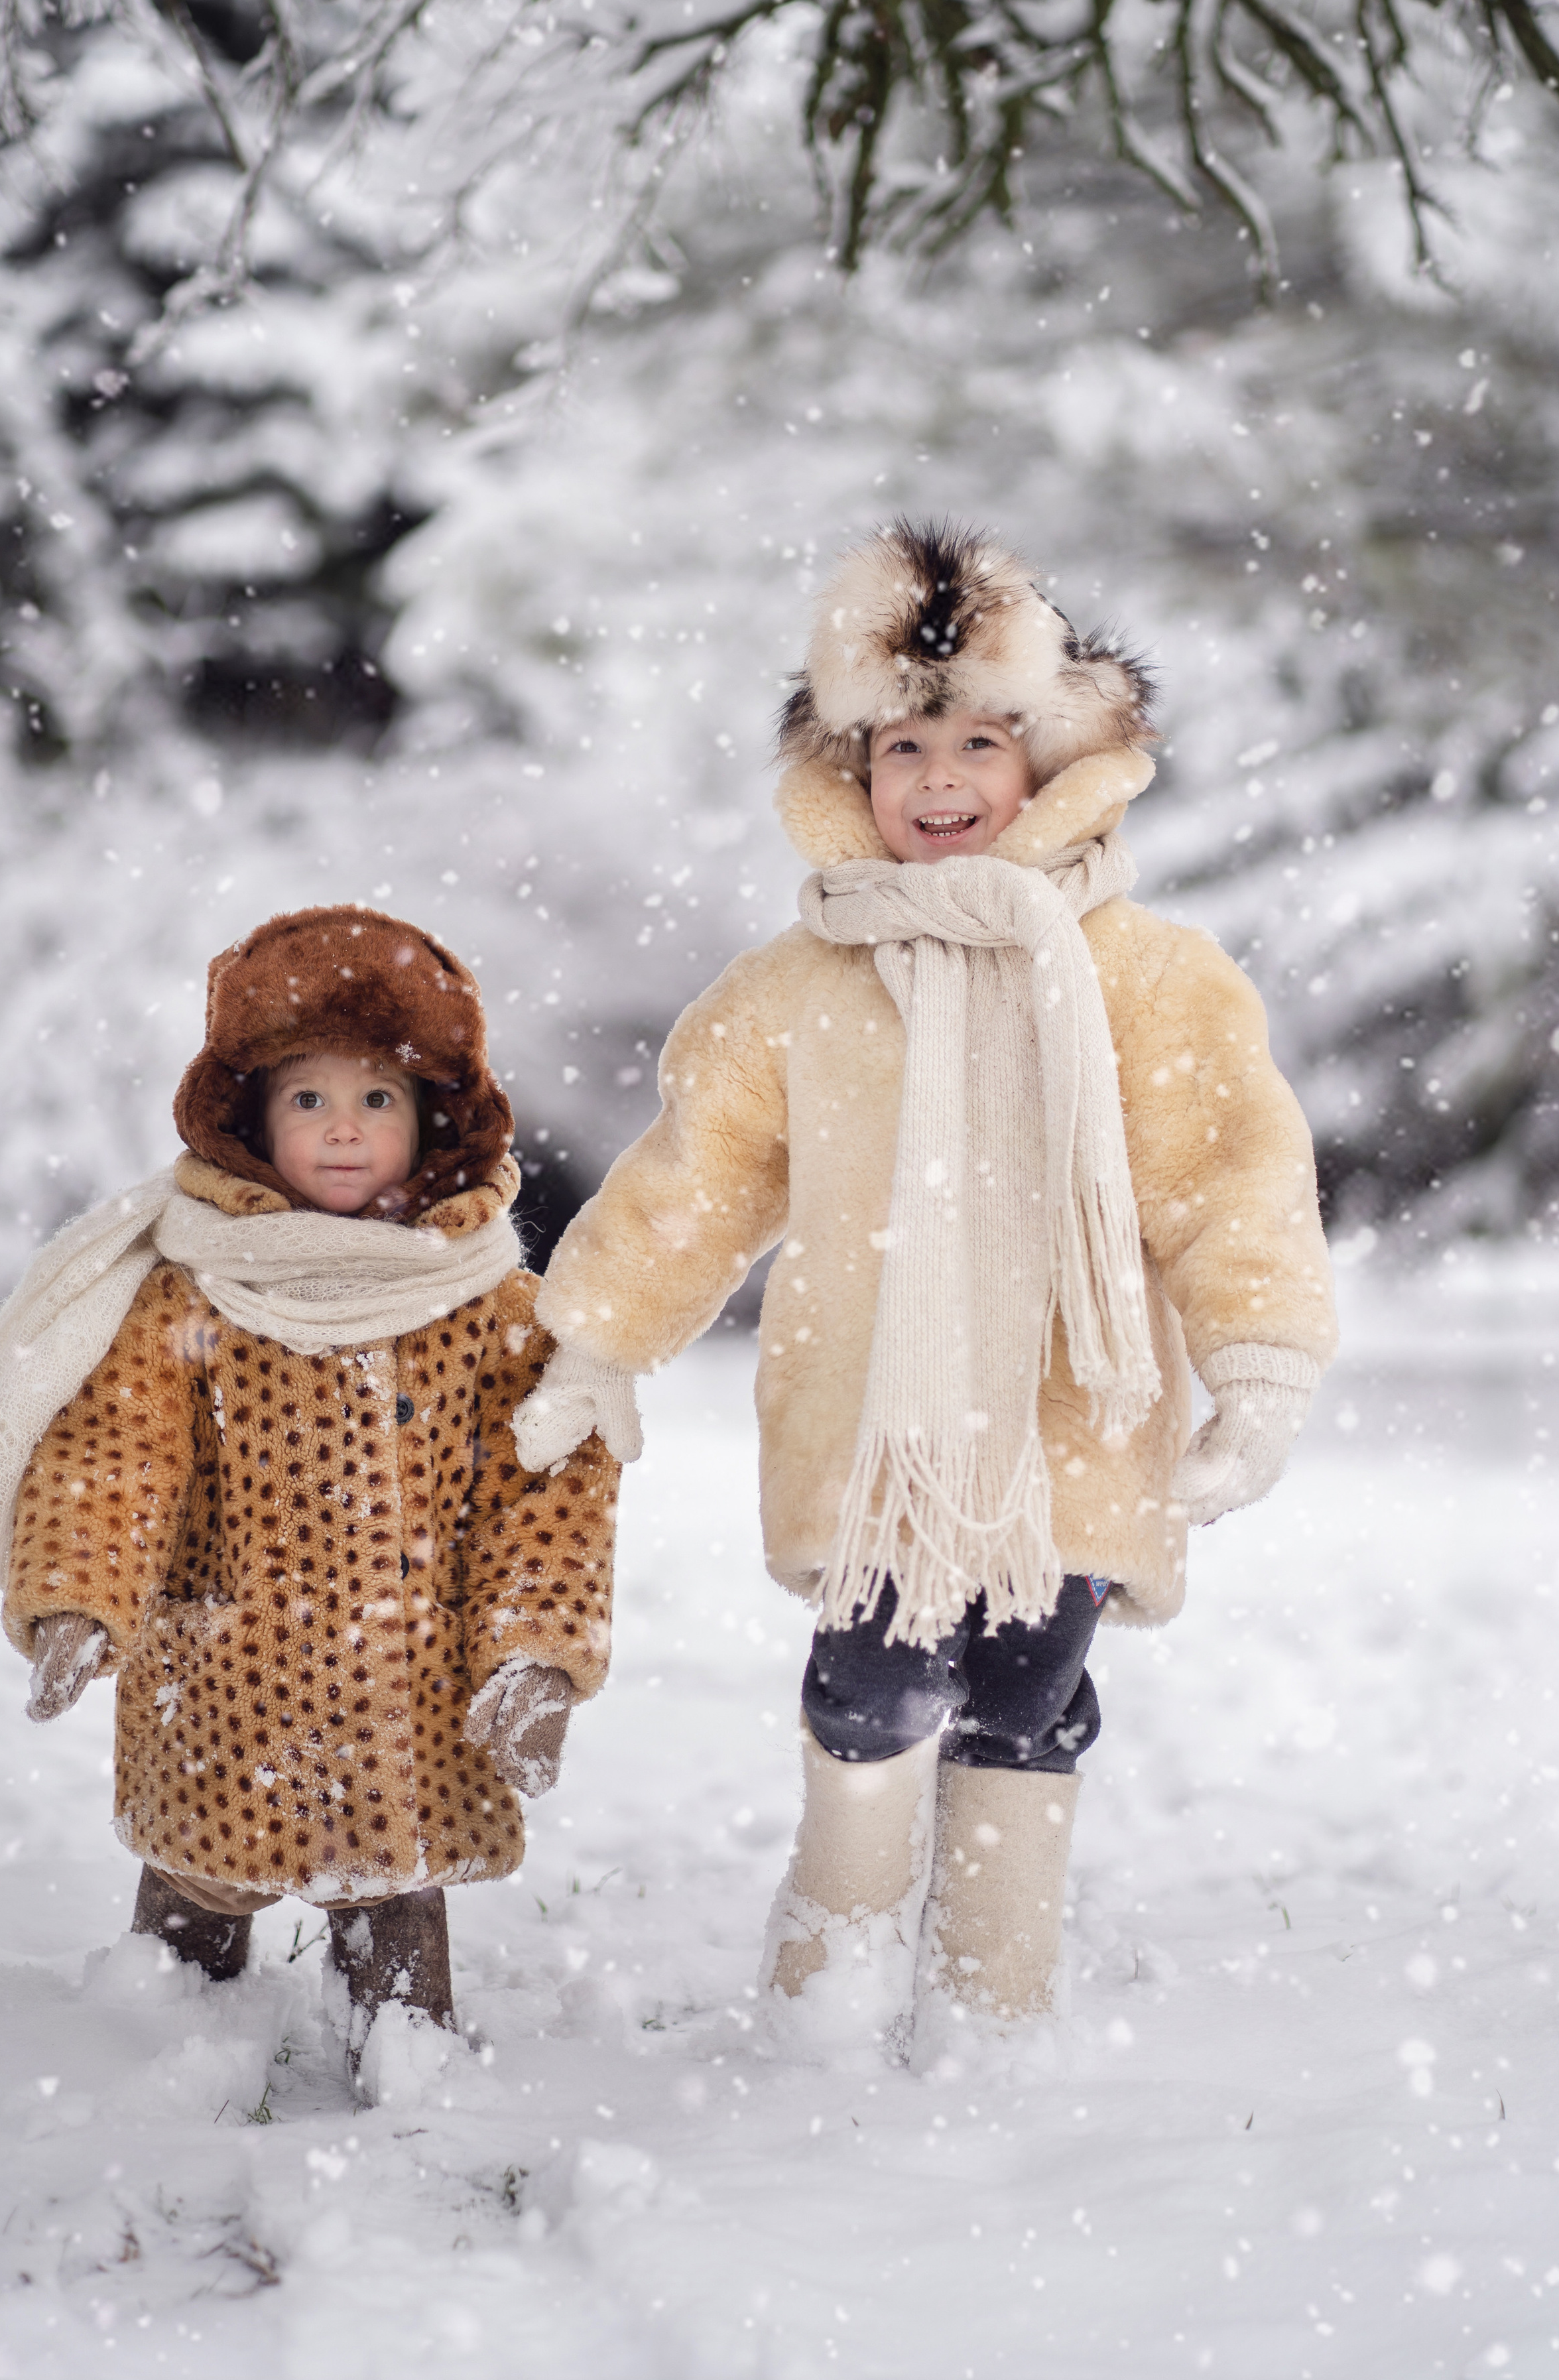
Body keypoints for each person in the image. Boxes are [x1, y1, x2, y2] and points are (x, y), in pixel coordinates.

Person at [514, 521, 1335, 2051]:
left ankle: (988, 2005)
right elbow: (696, 1179)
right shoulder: (798, 984)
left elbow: (1229, 1178)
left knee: (1025, 1702)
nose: (941, 778)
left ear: (1048, 765)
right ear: (852, 770)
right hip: (876, 1429)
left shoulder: (1143, 973)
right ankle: (821, 1997)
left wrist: (1262, 1364)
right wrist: (598, 1340)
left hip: (1075, 1428)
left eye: (978, 742)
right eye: (904, 745)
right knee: (871, 1692)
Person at [0, 905, 619, 2085]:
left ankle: (407, 2052)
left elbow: (543, 1493)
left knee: (393, 1886)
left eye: (377, 1099)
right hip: (225, 1673)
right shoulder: (191, 1295)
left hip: (408, 1686)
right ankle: (167, 2027)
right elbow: (113, 1452)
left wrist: (535, 1654)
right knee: (196, 1878)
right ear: (251, 1122)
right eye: (308, 1101)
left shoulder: (494, 1313)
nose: (344, 1130)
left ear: (434, 1118)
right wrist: (81, 1597)